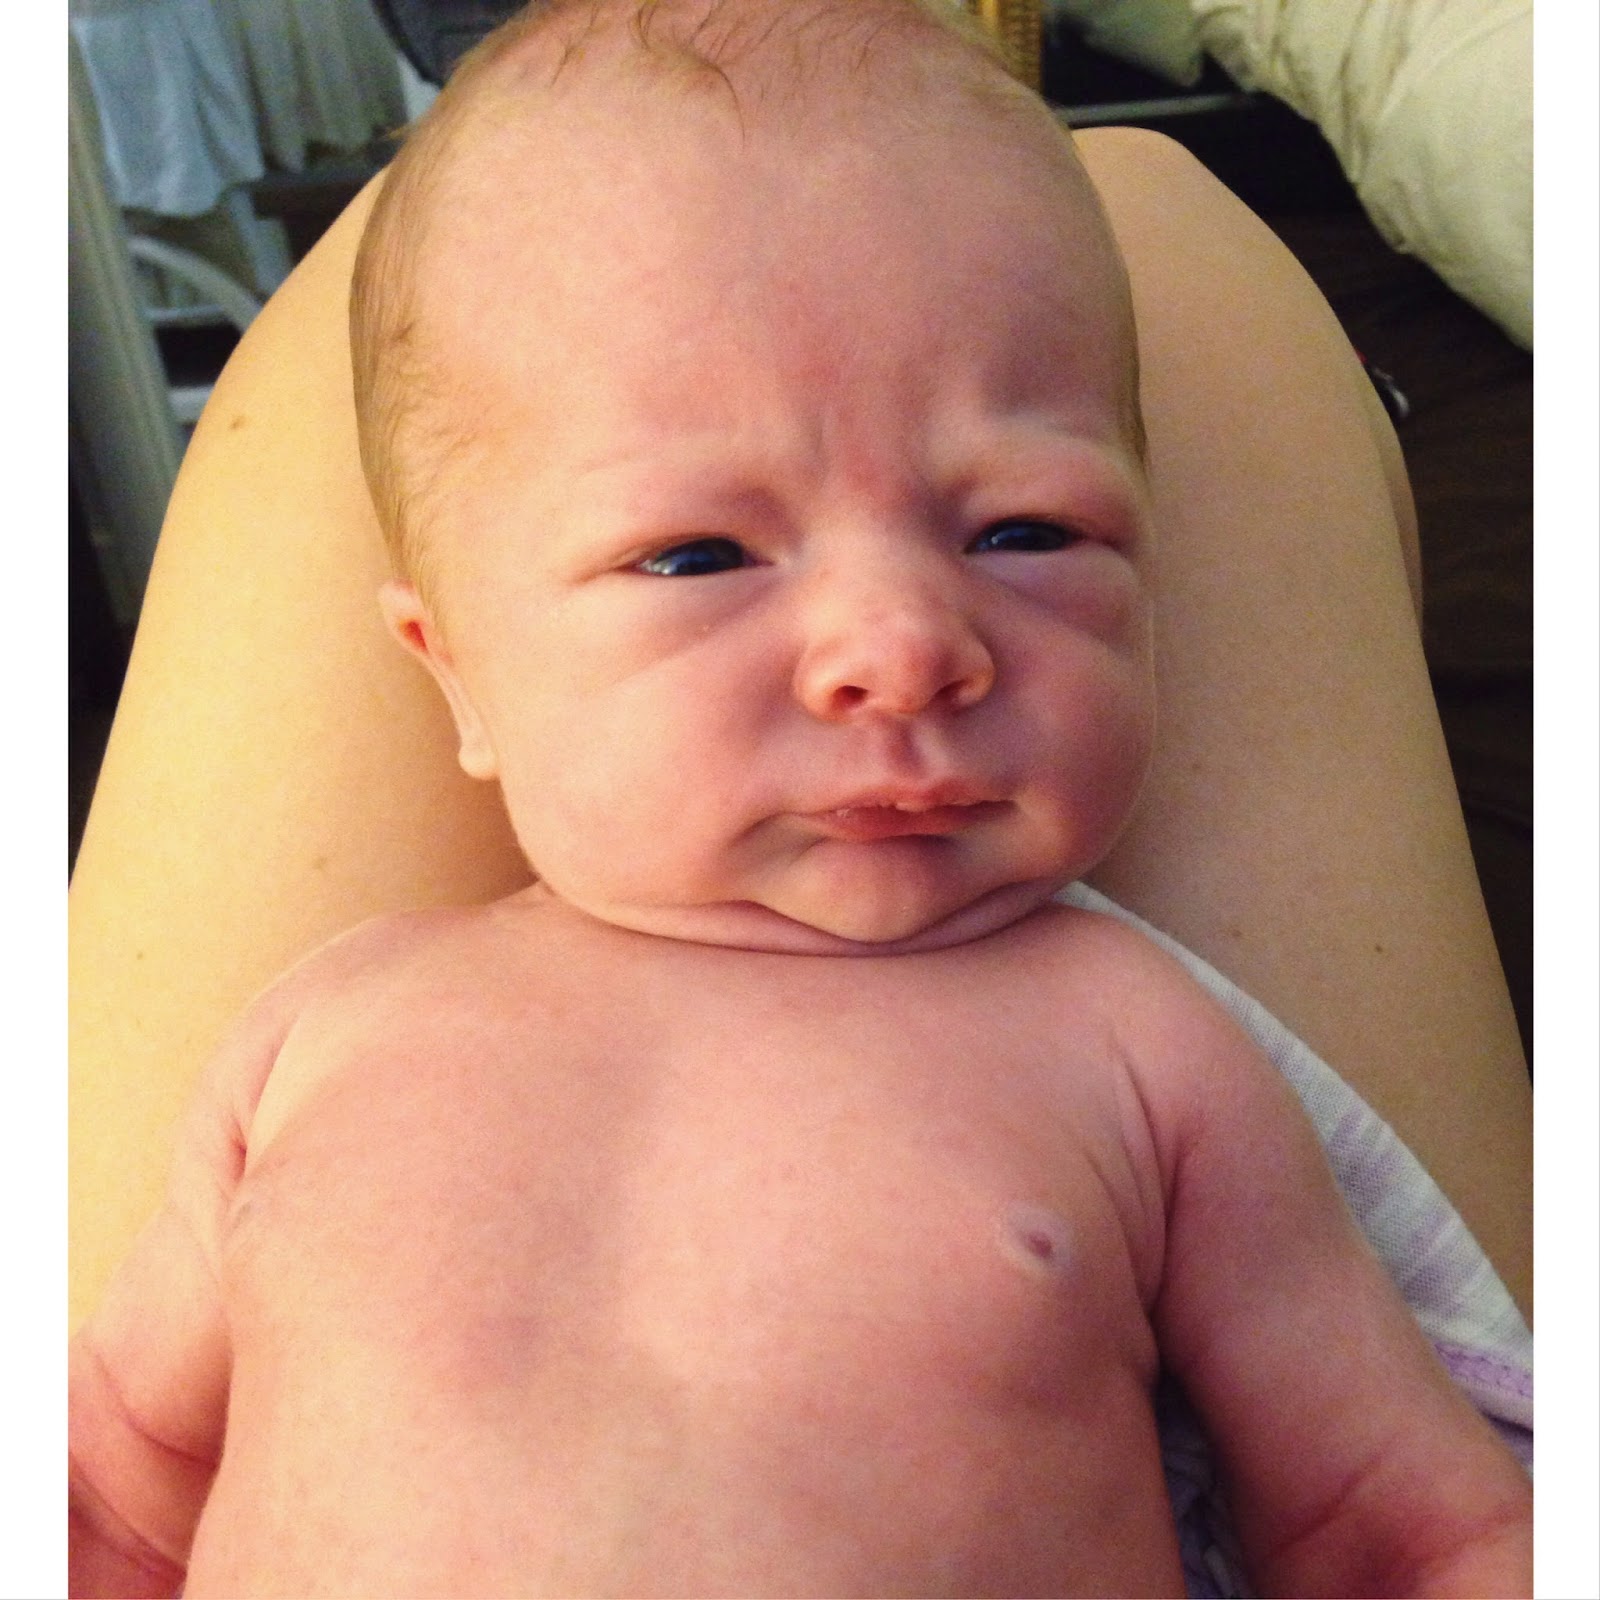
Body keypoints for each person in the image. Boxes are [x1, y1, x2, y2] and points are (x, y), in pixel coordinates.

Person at [68, 4, 1532, 1595]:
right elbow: (106, 1496)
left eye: (1028, 531)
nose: (904, 649)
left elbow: (1402, 1522)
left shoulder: (1147, 1053)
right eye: (699, 555)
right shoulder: (314, 1038)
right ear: (456, 676)